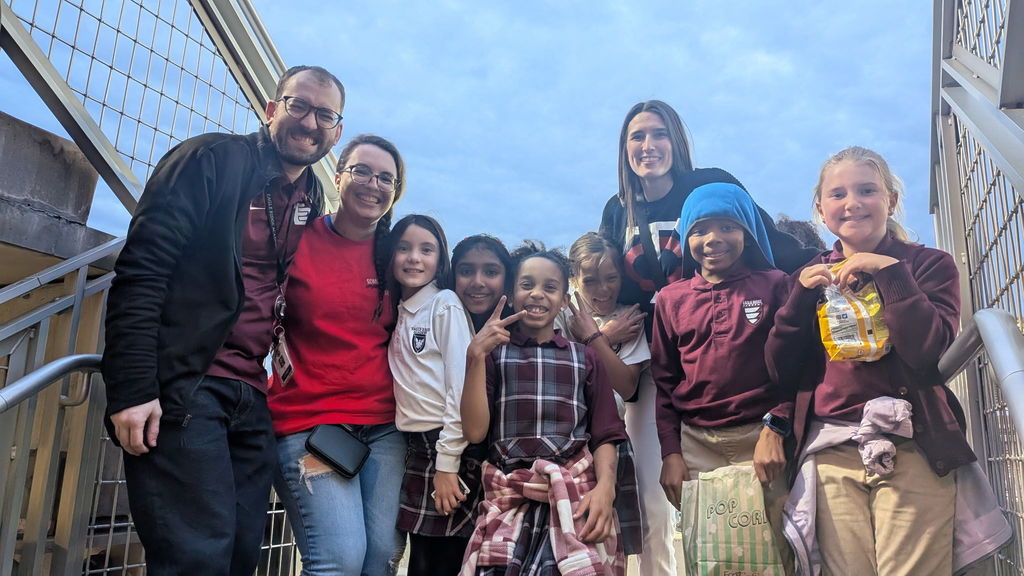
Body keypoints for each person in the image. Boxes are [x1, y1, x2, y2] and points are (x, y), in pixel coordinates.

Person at [101, 65, 344, 575]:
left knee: (237, 557)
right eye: (298, 105)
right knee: (196, 558)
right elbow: (142, 271)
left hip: (251, 395)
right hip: (188, 385)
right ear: (271, 108)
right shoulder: (210, 159)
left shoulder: (309, 198)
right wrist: (132, 387)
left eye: (324, 114)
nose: (309, 121)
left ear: (336, 131)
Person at [766, 146, 972, 575]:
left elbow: (928, 354)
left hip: (913, 443)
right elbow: (780, 369)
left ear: (890, 200)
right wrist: (798, 301)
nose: (852, 203)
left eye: (867, 190)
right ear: (821, 209)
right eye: (837, 194)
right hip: (832, 449)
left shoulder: (929, 265)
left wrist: (891, 274)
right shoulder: (804, 278)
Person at [267, 134, 406, 575]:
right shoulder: (296, 240)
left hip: (384, 426)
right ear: (338, 174)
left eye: (387, 177)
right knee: (338, 560)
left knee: (381, 556)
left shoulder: (398, 257)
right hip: (310, 421)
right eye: (362, 171)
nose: (373, 184)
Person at [460, 243, 628, 575]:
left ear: (565, 299)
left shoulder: (585, 357)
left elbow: (606, 433)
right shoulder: (494, 355)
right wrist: (474, 357)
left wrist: (605, 490)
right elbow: (475, 431)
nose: (538, 294)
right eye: (527, 285)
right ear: (510, 293)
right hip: (510, 495)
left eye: (550, 287)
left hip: (574, 496)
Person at [651, 181, 793, 567]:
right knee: (710, 558)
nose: (713, 238)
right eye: (699, 229)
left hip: (761, 439)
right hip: (698, 445)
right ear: (685, 238)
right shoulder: (670, 300)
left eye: (727, 226)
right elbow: (665, 385)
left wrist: (776, 428)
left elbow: (797, 366)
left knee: (777, 552)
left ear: (747, 232)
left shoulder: (775, 285)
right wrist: (671, 453)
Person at [599, 100, 819, 315]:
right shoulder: (616, 209)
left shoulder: (713, 186)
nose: (648, 146)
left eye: (660, 134)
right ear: (624, 147)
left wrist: (838, 261)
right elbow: (601, 279)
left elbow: (774, 246)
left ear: (675, 141)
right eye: (637, 137)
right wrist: (603, 330)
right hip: (644, 345)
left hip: (714, 336)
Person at [387, 215, 482, 576]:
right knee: (422, 560)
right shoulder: (398, 311)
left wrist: (447, 464)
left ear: (440, 260)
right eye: (404, 248)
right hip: (413, 447)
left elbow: (461, 385)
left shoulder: (444, 304)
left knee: (441, 563)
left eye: (426, 249)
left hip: (444, 446)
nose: (414, 258)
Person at [556, 232, 649, 565]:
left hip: (609, 438)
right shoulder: (561, 315)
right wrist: (606, 337)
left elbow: (626, 386)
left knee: (610, 540)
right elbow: (559, 371)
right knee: (566, 531)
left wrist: (595, 338)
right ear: (574, 280)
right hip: (565, 435)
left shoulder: (628, 317)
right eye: (590, 280)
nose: (602, 289)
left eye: (611, 278)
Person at [451, 234, 515, 332]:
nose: (477, 282)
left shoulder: (525, 334)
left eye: (491, 272)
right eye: (466, 272)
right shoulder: (436, 326)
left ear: (507, 280)